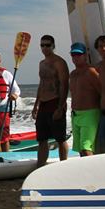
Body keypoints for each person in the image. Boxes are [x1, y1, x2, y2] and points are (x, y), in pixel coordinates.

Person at [32, 35, 70, 165]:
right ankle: (40, 166)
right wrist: (36, 104)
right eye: (42, 45)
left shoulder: (59, 62)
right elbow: (41, 84)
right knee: (42, 139)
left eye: (47, 45)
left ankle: (63, 165)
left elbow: (65, 85)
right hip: (43, 104)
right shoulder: (41, 63)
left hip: (55, 102)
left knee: (60, 138)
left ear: (53, 46)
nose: (45, 48)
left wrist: (60, 107)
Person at [68, 43, 101, 157]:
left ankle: (92, 174)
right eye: (73, 54)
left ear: (85, 55)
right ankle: (85, 173)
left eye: (78, 54)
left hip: (90, 113)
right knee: (80, 149)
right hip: (75, 114)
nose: (75, 57)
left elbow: (101, 91)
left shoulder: (91, 71)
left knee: (86, 147)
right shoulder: (72, 74)